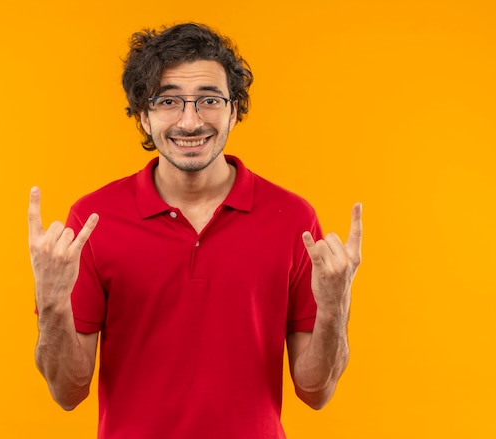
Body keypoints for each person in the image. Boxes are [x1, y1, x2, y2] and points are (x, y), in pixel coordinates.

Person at [28, 22, 362, 439]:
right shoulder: (94, 220)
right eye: (169, 101)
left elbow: (316, 391)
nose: (190, 121)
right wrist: (53, 303)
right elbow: (67, 391)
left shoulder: (293, 219)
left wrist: (335, 308)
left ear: (234, 110)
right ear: (143, 116)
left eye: (209, 100)